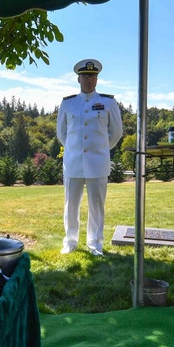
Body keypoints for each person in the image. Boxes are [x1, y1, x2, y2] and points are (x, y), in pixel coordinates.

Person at [56, 58, 123, 256]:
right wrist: (74, 149)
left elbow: (116, 133)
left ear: (97, 79)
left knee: (96, 205)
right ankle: (70, 242)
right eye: (85, 76)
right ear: (78, 79)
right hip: (74, 161)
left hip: (98, 162)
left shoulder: (108, 102)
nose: (89, 80)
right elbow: (62, 134)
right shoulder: (68, 103)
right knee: (71, 204)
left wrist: (101, 148)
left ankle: (95, 243)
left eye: (93, 76)